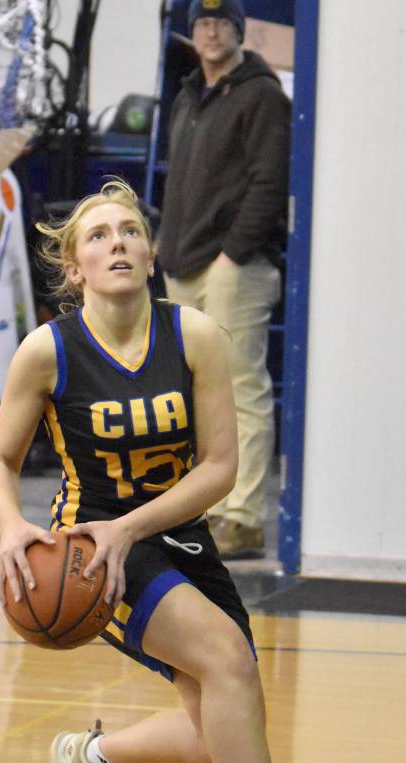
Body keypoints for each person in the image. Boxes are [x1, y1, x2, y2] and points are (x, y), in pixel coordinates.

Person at [0, 178, 348, 763]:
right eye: (98, 236)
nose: (118, 242)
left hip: (169, 532)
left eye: (130, 231)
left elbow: (219, 467)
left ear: (150, 254)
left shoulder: (195, 335)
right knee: (230, 665)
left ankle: (92, 756)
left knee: (228, 726)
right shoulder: (47, 351)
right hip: (93, 550)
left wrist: (136, 526)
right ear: (75, 268)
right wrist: (13, 527)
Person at [157, 0, 291, 559]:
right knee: (193, 395)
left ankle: (244, 518)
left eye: (222, 23)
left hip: (232, 267)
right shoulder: (190, 96)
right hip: (182, 264)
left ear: (239, 31)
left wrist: (232, 256)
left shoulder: (262, 96)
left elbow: (269, 181)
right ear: (192, 34)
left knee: (241, 390)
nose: (211, 32)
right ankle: (207, 509)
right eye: (202, 23)